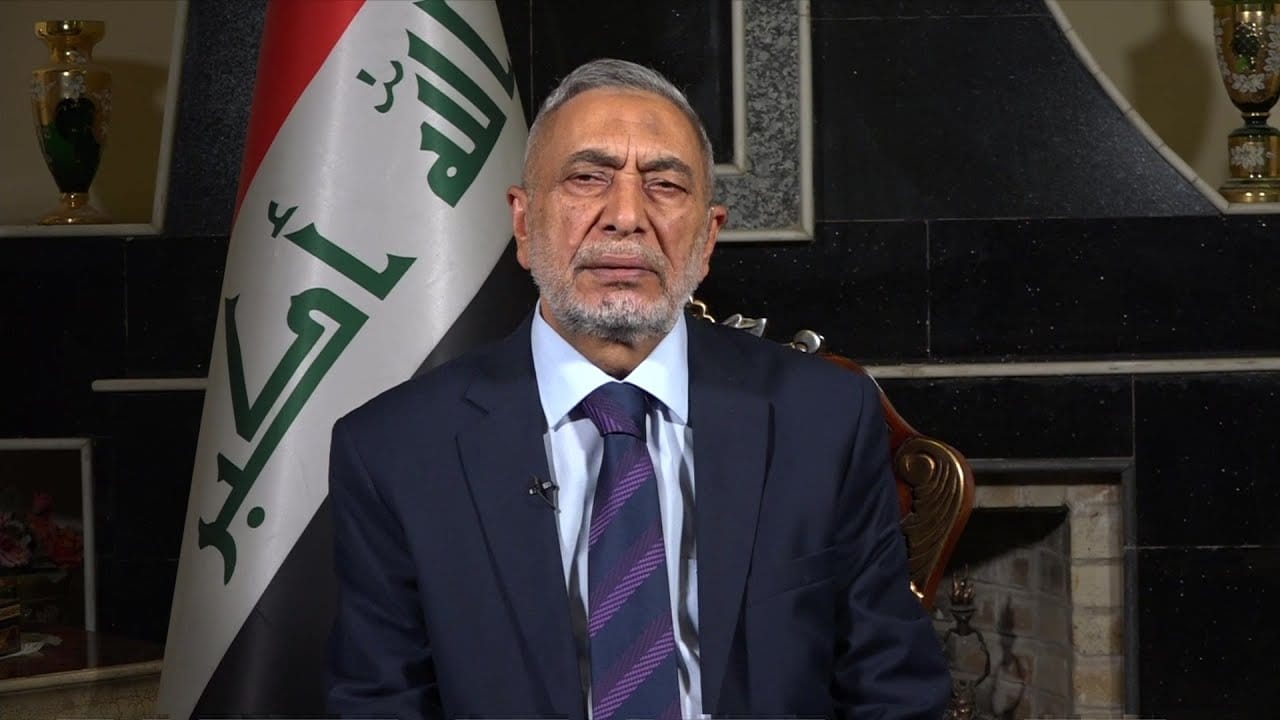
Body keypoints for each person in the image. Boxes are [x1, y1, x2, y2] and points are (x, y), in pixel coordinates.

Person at [326, 58, 950, 720]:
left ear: (707, 238)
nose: (626, 216)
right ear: (524, 223)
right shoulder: (396, 450)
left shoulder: (823, 420)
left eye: (665, 185)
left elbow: (894, 693)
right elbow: (380, 705)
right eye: (587, 178)